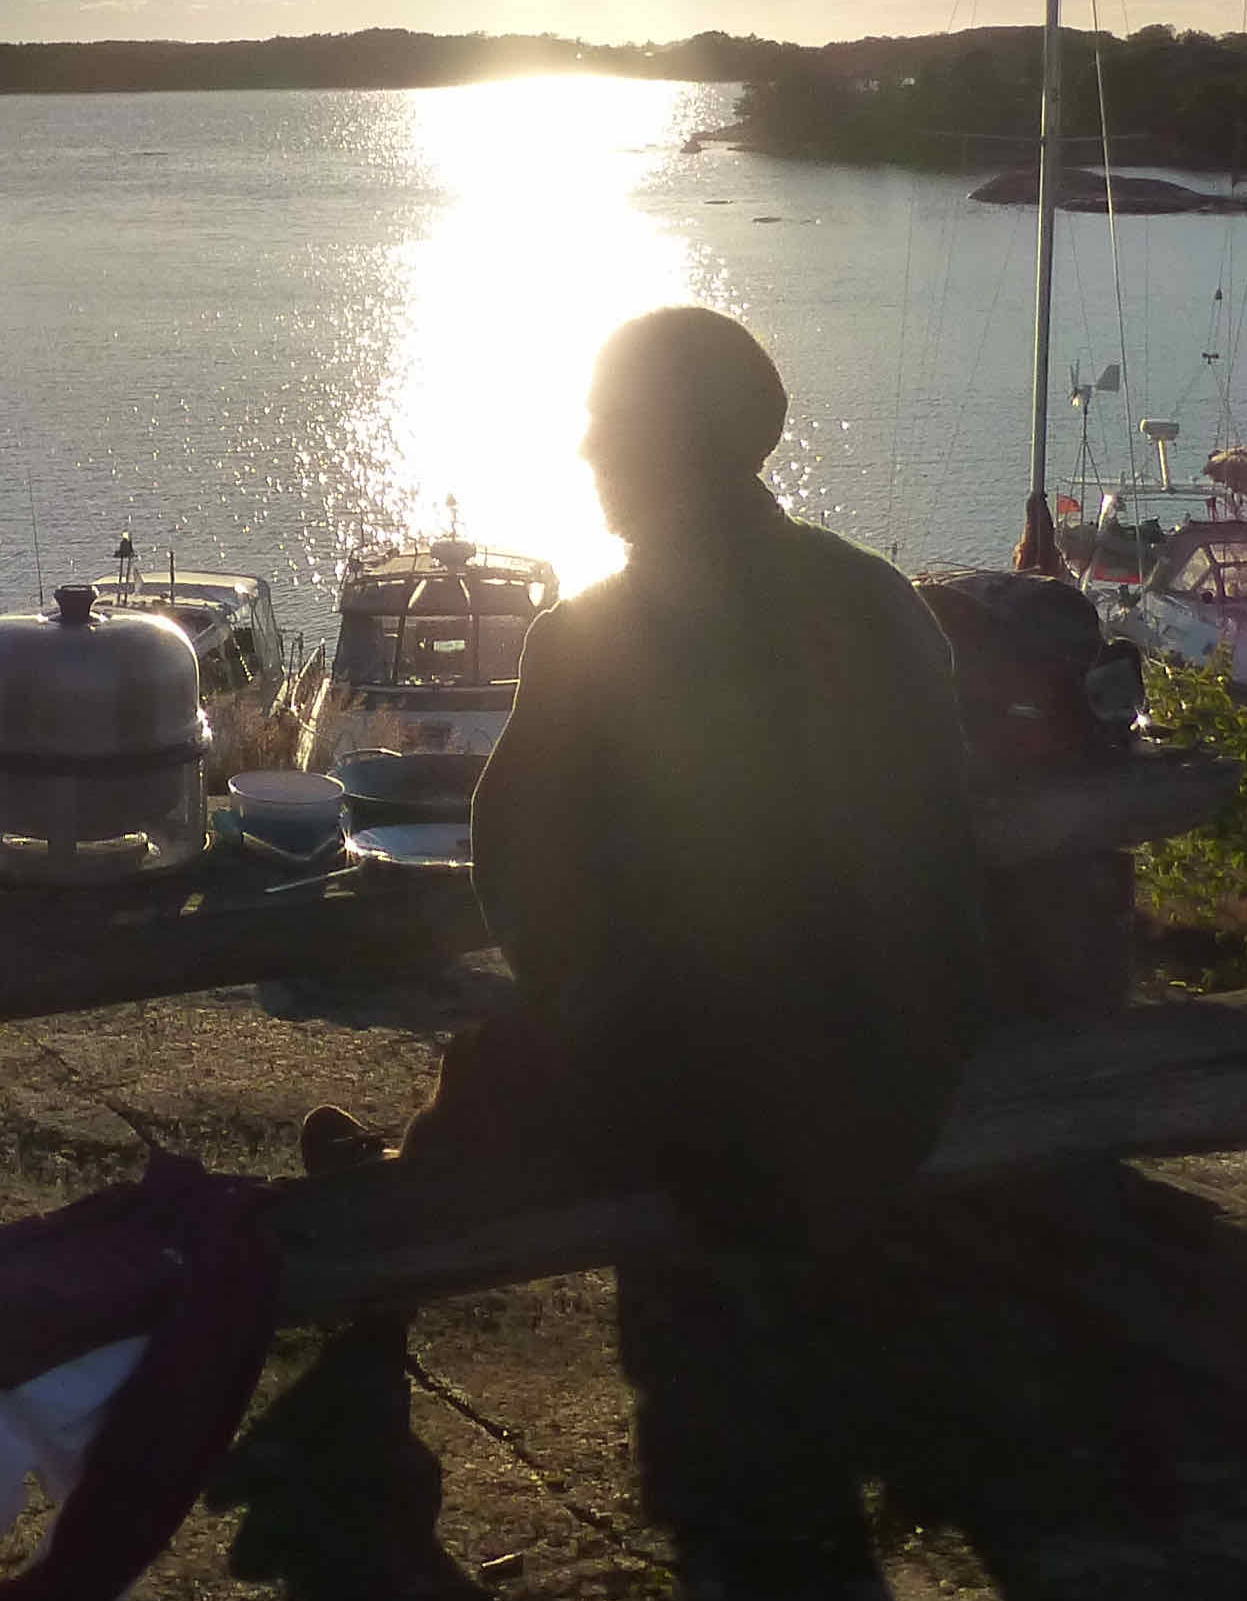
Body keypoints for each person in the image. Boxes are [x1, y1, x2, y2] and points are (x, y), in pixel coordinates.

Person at [330, 305, 990, 1249]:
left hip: (721, 1116)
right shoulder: (883, 598)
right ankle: (408, 1168)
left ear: (662, 443)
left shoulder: (589, 638)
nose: (586, 446)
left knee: (510, 1064)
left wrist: (603, 1009)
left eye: (607, 420)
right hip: (901, 1087)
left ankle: (388, 1204)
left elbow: (516, 872)